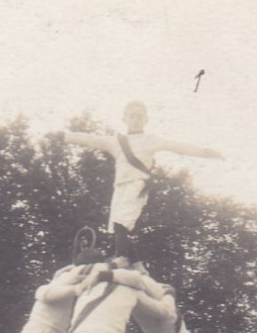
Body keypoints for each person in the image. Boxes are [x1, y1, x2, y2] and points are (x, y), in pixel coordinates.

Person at [58, 101, 224, 255]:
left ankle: (121, 257)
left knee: (122, 220)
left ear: (146, 120)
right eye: (132, 115)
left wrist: (205, 152)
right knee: (117, 224)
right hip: (120, 186)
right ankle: (135, 264)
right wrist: (63, 136)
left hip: (138, 183)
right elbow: (90, 140)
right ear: (125, 119)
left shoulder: (151, 140)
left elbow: (177, 147)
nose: (136, 119)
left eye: (140, 116)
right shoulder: (115, 141)